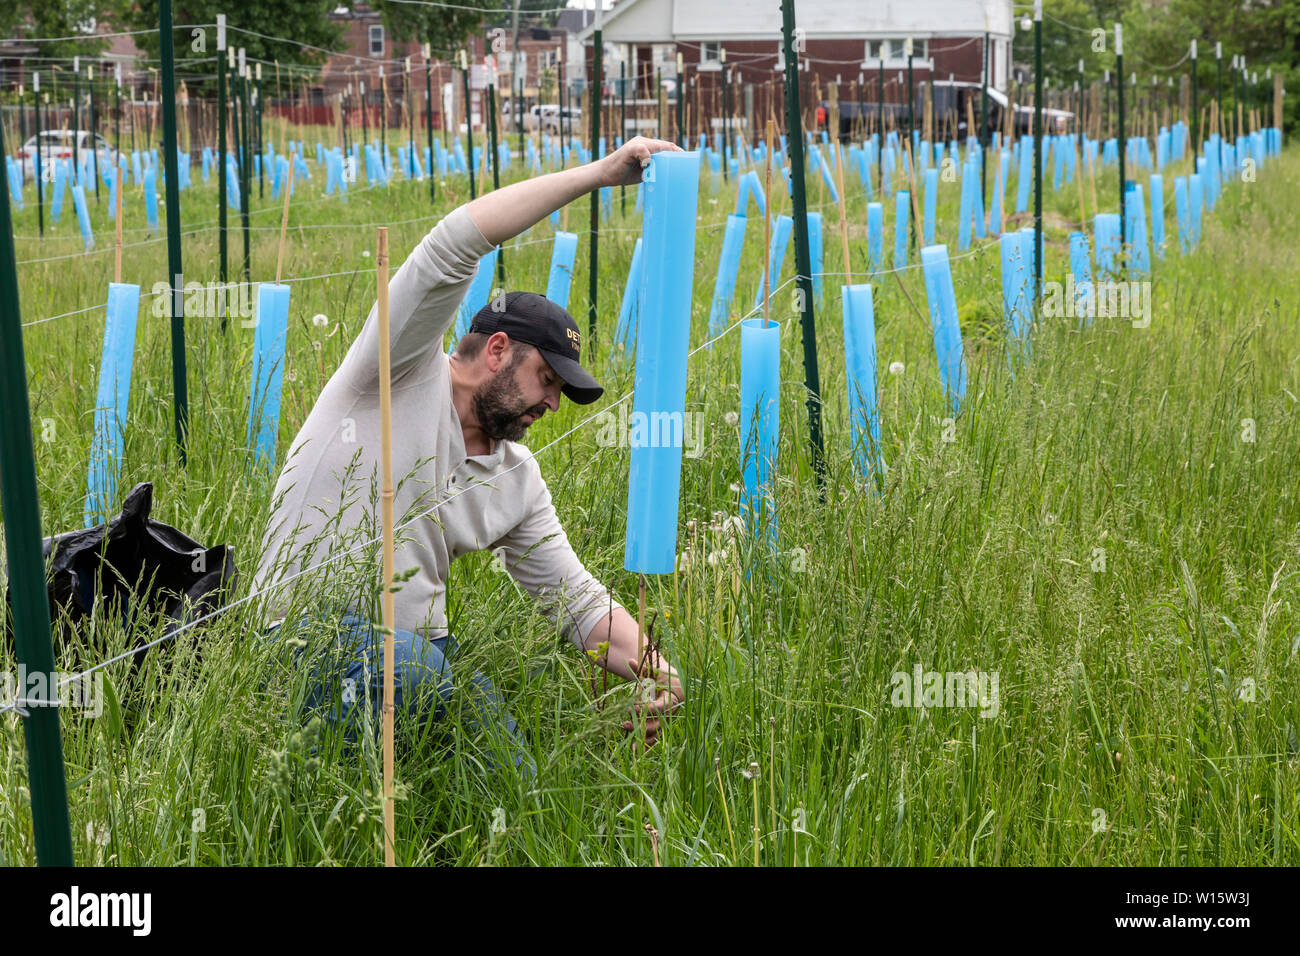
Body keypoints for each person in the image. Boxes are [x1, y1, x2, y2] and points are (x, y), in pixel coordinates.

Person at [255, 136, 686, 777]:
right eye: (547, 379)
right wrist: (599, 175)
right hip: (305, 640)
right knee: (426, 678)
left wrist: (658, 672)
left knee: (515, 782)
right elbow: (454, 242)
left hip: (419, 662)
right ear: (496, 351)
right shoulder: (394, 372)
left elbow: (574, 599)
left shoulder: (517, 478)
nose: (552, 404)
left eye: (563, 393)